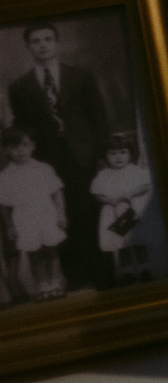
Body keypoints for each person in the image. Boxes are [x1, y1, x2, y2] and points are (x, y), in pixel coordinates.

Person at [7, 22, 110, 288]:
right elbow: (22, 127)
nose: (42, 45)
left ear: (57, 43)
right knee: (56, 217)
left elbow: (98, 117)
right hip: (47, 162)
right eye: (36, 41)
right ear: (29, 46)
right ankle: (73, 276)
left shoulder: (80, 76)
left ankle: (101, 273)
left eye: (47, 39)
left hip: (83, 156)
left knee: (89, 211)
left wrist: (101, 155)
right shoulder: (21, 86)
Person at [0, 126, 68, 301]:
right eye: (14, 147)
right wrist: (9, 226)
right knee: (34, 254)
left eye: (24, 145)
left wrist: (61, 214)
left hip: (46, 215)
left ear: (33, 146)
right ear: (6, 150)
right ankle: (43, 285)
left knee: (52, 251)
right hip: (24, 219)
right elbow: (5, 205)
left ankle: (56, 283)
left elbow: (57, 192)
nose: (20, 150)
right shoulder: (5, 176)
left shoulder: (44, 168)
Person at [90, 132, 154, 287]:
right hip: (113, 212)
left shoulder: (135, 171)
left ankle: (144, 269)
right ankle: (127, 272)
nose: (118, 157)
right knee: (122, 244)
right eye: (113, 154)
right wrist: (110, 200)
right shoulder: (104, 174)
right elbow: (96, 193)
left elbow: (145, 186)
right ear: (105, 156)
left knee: (137, 241)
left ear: (130, 154)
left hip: (132, 210)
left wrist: (128, 194)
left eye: (122, 153)